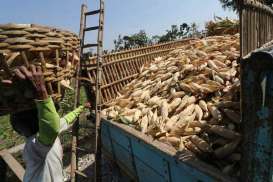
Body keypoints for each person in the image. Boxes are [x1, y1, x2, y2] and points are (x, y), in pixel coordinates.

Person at [5, 65, 90, 182]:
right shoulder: (35, 145)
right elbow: (51, 127)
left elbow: (65, 120)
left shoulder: (45, 137)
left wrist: (81, 107)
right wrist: (41, 90)